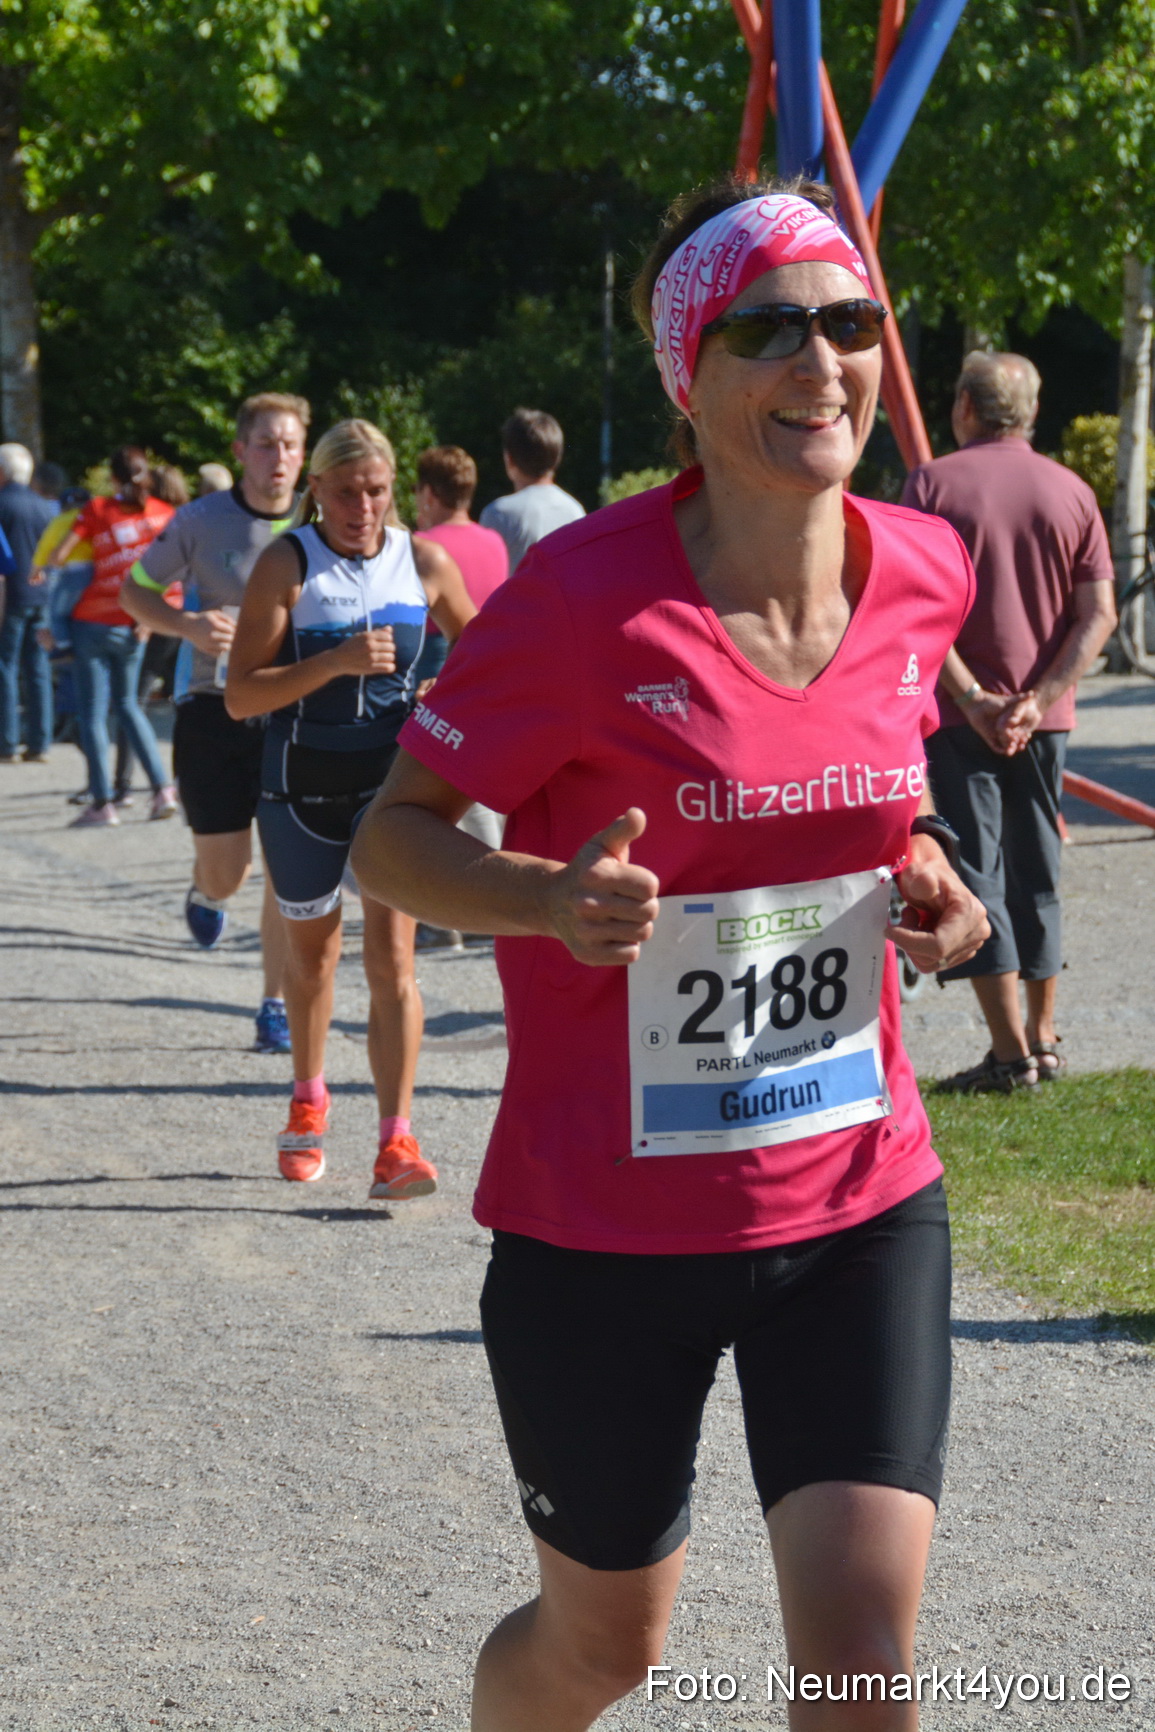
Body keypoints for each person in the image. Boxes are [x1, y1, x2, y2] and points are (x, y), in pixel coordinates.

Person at [352, 176, 989, 1730]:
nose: (818, 362)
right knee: (603, 1653)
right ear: (683, 381)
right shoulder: (581, 600)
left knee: (861, 1665)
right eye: (764, 330)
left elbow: (883, 782)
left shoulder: (923, 568)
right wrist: (543, 901)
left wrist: (927, 873)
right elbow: (390, 839)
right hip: (603, 1229)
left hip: (854, 1198)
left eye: (847, 323)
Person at [225, 418, 476, 1195]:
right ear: (316, 490)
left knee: (393, 962)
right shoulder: (286, 562)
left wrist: (447, 686)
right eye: (344, 493)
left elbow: (490, 656)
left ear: (392, 489)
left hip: (390, 792)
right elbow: (240, 696)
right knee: (312, 961)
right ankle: (308, 1100)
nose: (361, 508)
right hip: (299, 790)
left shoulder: (423, 562)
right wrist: (333, 661)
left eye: (375, 491)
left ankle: (397, 1142)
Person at [901, 352, 1117, 1093]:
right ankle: (1045, 1035)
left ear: (965, 406)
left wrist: (971, 697)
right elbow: (1098, 614)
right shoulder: (1071, 490)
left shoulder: (931, 486)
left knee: (977, 873)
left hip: (958, 717)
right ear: (1031, 413)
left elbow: (911, 605)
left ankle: (1007, 1052)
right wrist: (1040, 695)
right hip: (1043, 721)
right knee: (1039, 870)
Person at [120, 394, 309, 1054]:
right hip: (213, 709)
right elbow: (134, 590)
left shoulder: (321, 519)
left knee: (287, 870)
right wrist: (186, 624)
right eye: (265, 443)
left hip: (293, 711)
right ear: (239, 451)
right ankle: (207, 890)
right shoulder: (200, 520)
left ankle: (273, 1004)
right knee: (231, 872)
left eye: (290, 444)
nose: (278, 457)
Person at [41, 447, 177, 826]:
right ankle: (162, 790)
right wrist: (151, 617)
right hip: (136, 623)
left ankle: (102, 803)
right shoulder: (164, 514)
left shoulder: (97, 510)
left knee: (92, 714)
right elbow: (176, 571)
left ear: (114, 478)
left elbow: (60, 554)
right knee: (130, 706)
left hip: (92, 622)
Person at [413, 444, 509, 681]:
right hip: (486, 662)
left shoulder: (421, 547)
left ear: (428, 493)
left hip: (433, 665)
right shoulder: (495, 541)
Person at [0, 443, 58, 763]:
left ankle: (7, 743)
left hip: (8, 596)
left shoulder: (2, 504)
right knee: (37, 669)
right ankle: (40, 742)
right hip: (41, 594)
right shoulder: (45, 507)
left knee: (5, 667)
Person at [479, 408, 585, 574]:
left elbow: (486, 578)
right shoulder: (575, 511)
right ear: (556, 458)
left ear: (509, 459)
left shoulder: (498, 513)